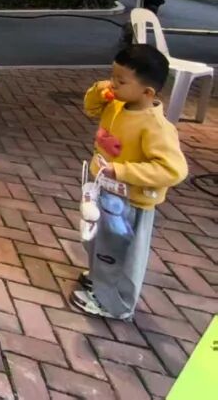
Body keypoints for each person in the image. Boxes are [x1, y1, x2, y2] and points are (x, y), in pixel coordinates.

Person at [71, 43, 188, 319]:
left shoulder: (156, 127)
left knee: (122, 253)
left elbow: (173, 170)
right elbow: (90, 108)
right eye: (112, 76)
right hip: (104, 191)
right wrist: (100, 90)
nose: (113, 84)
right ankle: (100, 278)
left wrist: (122, 171)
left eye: (121, 81)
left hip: (131, 202)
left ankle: (117, 304)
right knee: (98, 242)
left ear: (147, 92)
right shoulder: (116, 104)